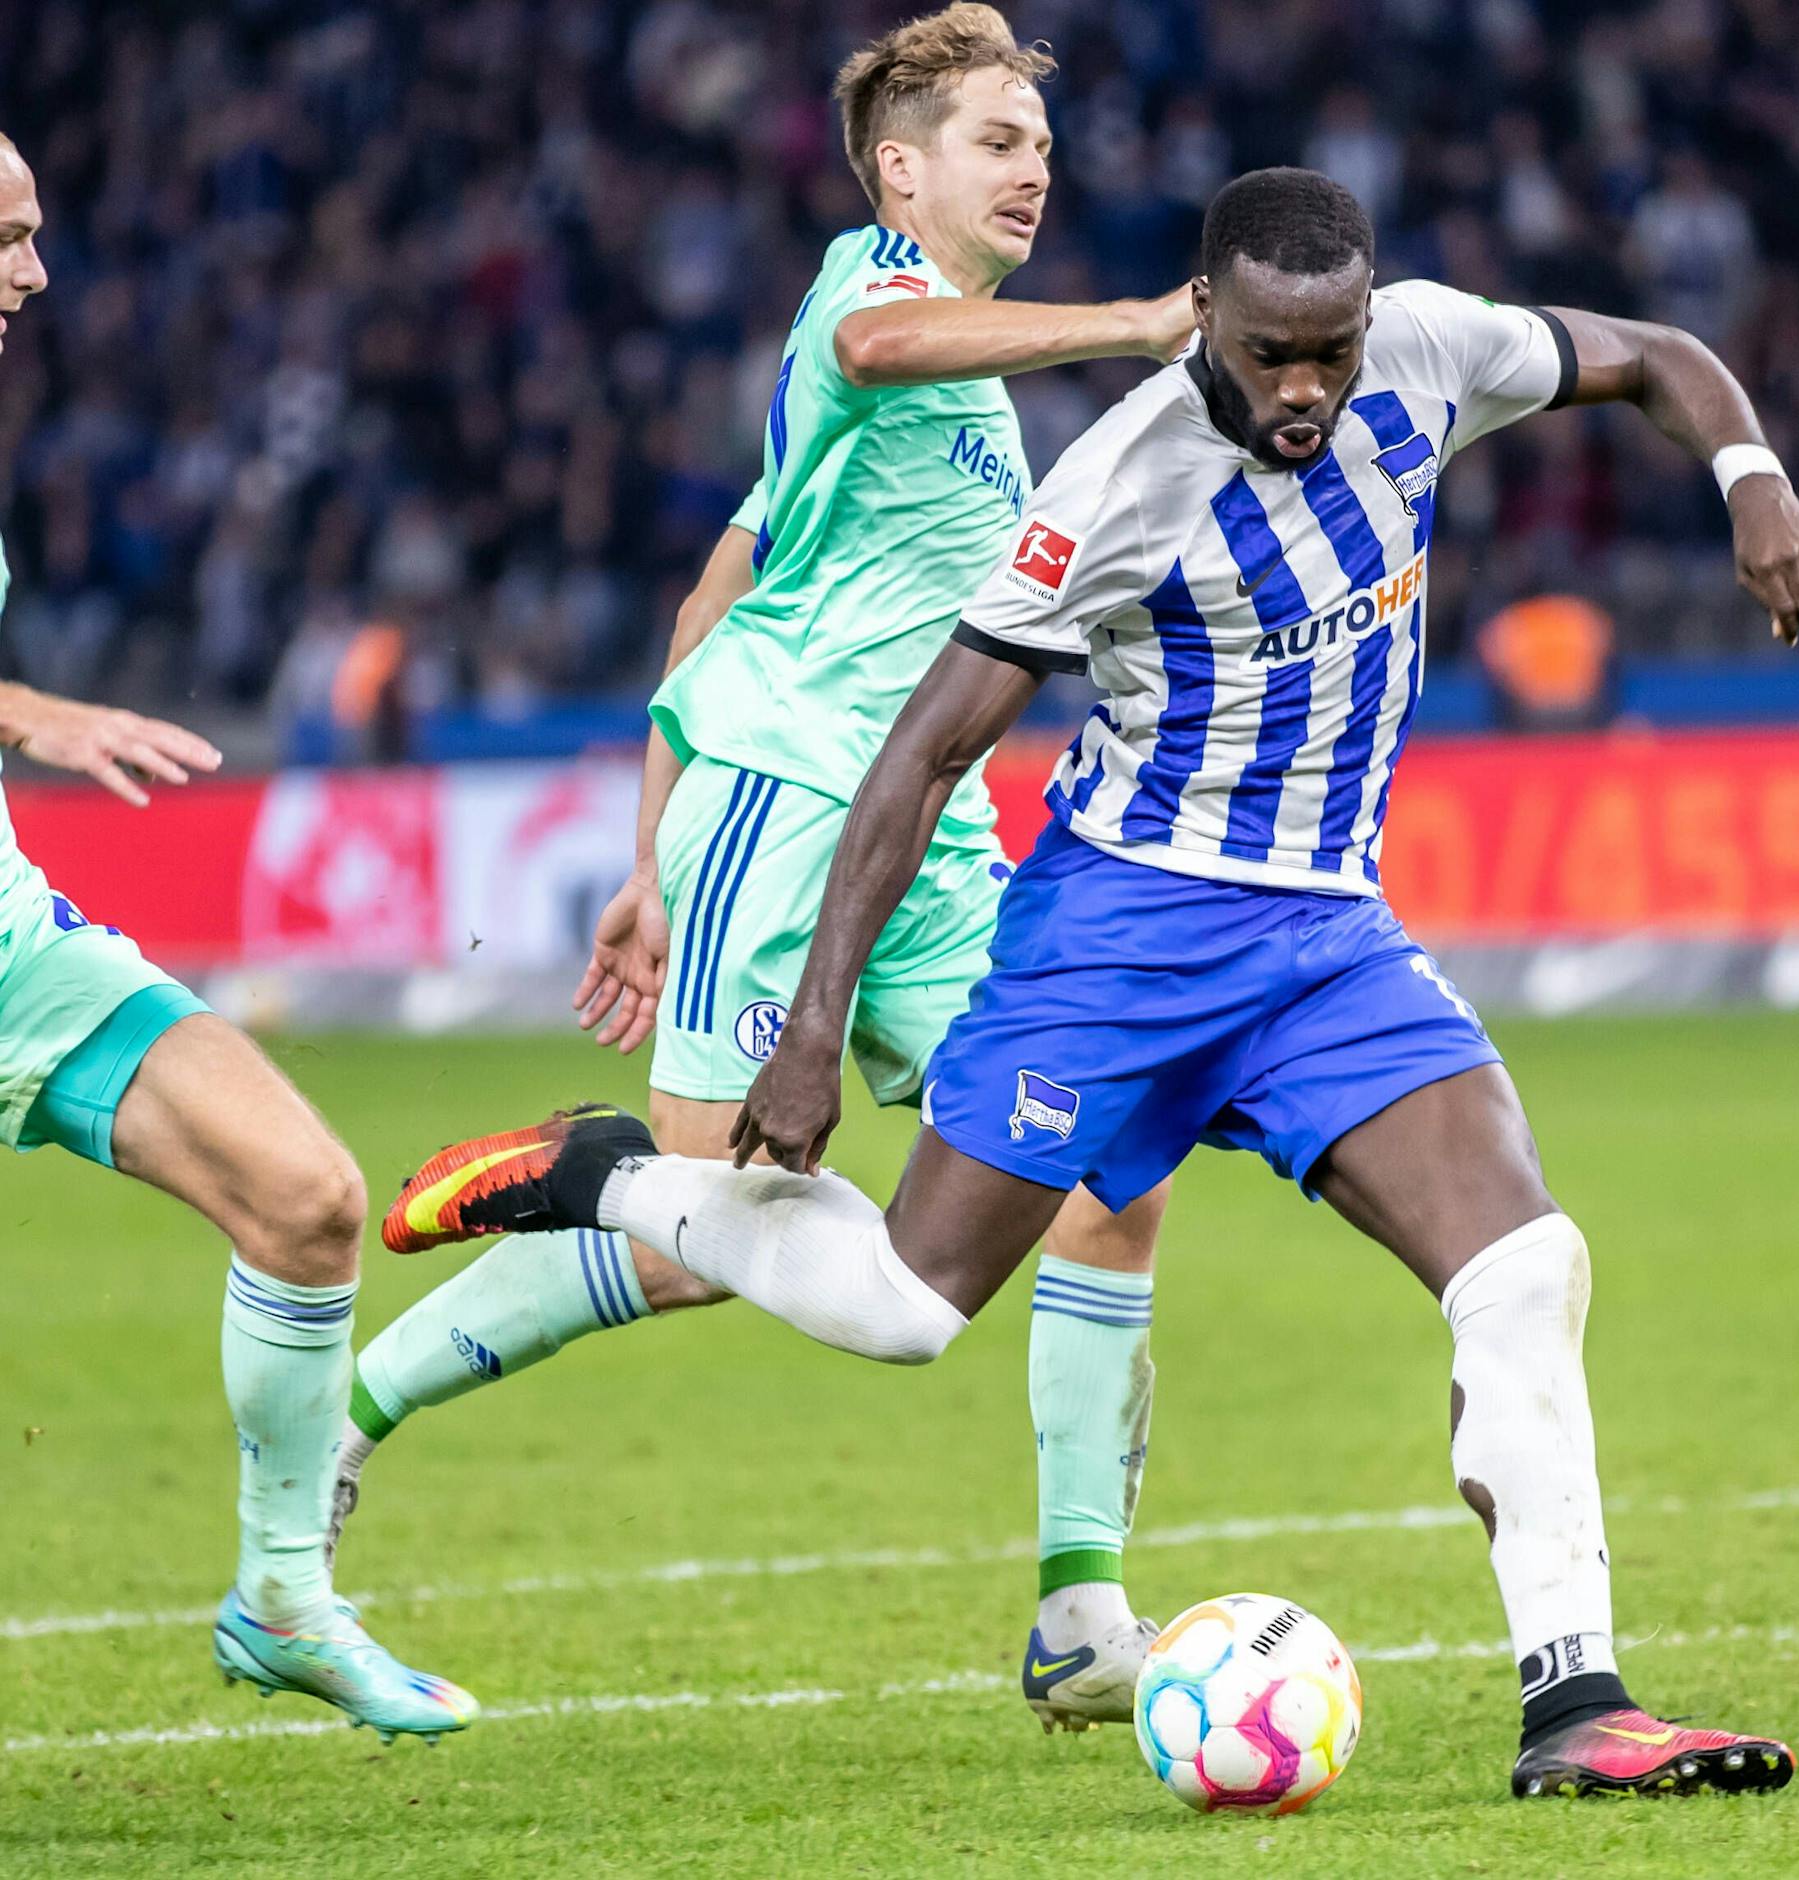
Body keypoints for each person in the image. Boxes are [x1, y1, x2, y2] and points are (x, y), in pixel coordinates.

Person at [391, 166, 1799, 1798]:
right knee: (900, 1311)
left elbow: (1654, 353)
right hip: (1119, 938)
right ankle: (606, 1175)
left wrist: (1753, 483)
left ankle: (1578, 1709)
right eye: (1275, 354)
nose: (1307, 391)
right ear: (1206, 315)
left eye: (1333, 353)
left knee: (1526, 1264)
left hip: (1323, 941)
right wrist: (808, 1034)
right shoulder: (1119, 481)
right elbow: (923, 758)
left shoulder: (1429, 350)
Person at [333, 3, 1193, 1733]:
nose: (1037, 169)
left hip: (935, 838)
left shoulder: (944, 401)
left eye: (1042, 144)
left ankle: (1080, 1610)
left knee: (1101, 1166)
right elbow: (883, 358)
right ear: (903, 172)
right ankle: (367, 1398)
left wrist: (640, 860)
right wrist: (1145, 325)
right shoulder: (859, 292)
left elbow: (717, 588)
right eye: (998, 144)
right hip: (791, 808)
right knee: (698, 1229)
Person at [0, 132, 474, 1745]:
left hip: (15, 956)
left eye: (39, 232)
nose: (35, 273)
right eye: (6, 236)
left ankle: (282, 1598)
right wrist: (29, 711)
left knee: (308, 1195)